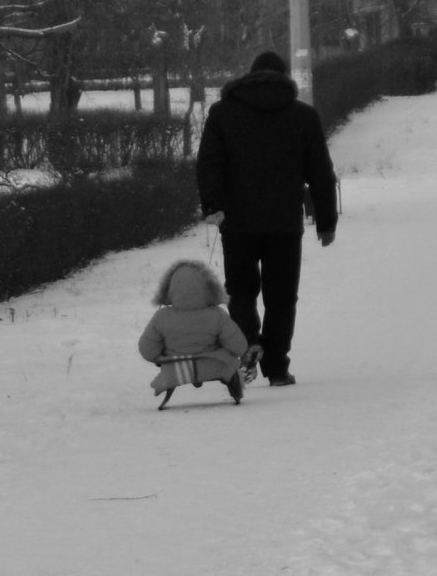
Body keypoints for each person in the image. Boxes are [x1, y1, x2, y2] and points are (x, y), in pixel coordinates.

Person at [196, 50, 338, 387]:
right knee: (281, 295)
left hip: (238, 220)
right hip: (284, 223)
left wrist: (214, 205)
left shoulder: (222, 113)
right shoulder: (303, 116)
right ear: (285, 76)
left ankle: (249, 343)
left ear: (249, 76)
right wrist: (326, 221)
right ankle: (276, 367)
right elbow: (320, 172)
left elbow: (209, 164)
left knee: (241, 289)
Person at [138, 260, 248, 404]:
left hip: (175, 371)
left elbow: (147, 350)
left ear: (170, 289)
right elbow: (239, 347)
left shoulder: (162, 316)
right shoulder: (216, 315)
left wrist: (160, 357)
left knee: (172, 365)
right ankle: (234, 387)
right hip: (215, 367)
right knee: (229, 364)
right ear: (209, 287)